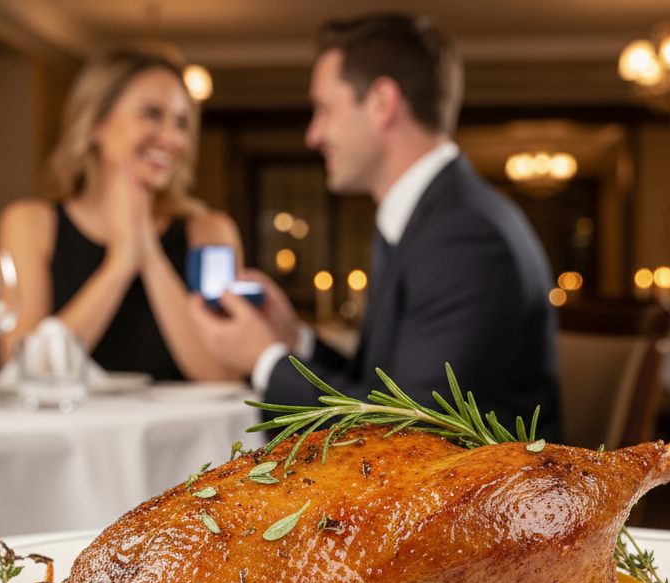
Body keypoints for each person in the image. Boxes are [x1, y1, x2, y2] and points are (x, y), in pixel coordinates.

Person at [189, 13, 561, 439]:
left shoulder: (463, 236)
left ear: (383, 102)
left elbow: (403, 434)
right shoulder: (437, 218)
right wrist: (293, 342)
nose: (313, 135)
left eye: (324, 109)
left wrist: (263, 359)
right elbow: (383, 390)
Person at [0, 45, 241, 381]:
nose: (172, 138)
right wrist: (119, 265)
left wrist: (152, 259)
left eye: (182, 123)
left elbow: (224, 376)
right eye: (152, 114)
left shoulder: (211, 232)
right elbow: (24, 371)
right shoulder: (30, 223)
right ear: (95, 123)